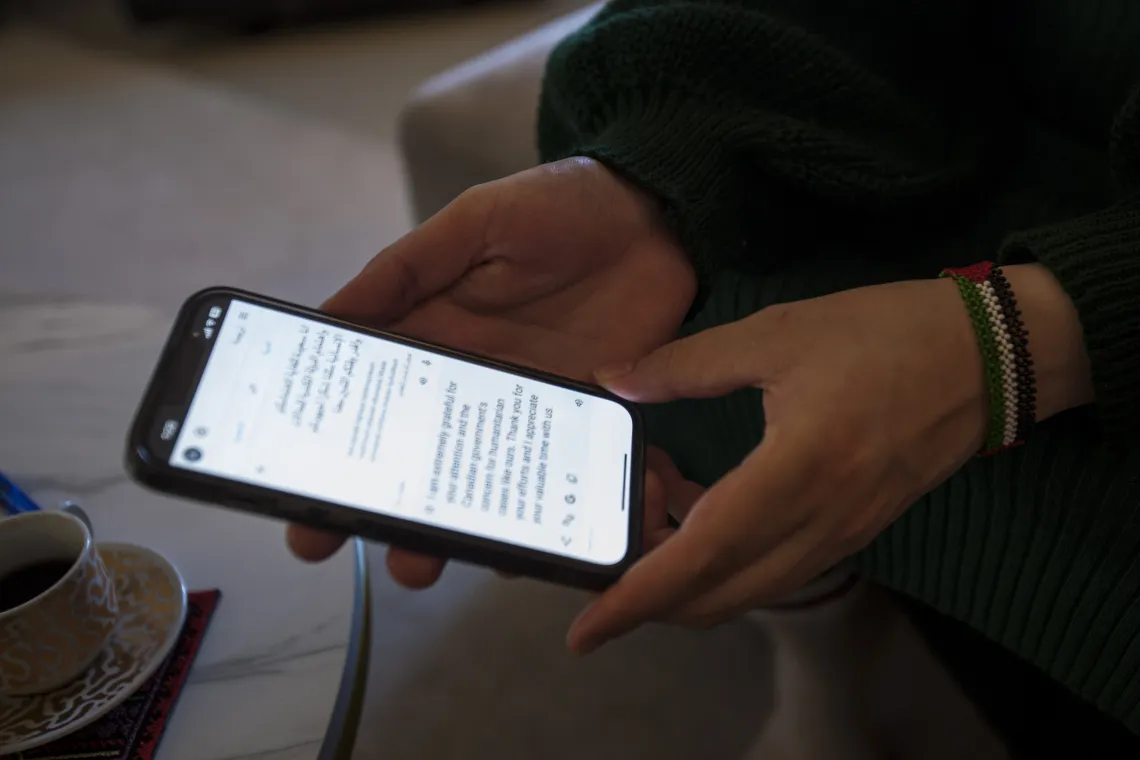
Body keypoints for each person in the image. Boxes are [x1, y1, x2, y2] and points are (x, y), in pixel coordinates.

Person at [290, 0, 1140, 754]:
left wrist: (1015, 342)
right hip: (1008, 117)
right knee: (668, 293)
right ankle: (827, 657)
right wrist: (657, 163)